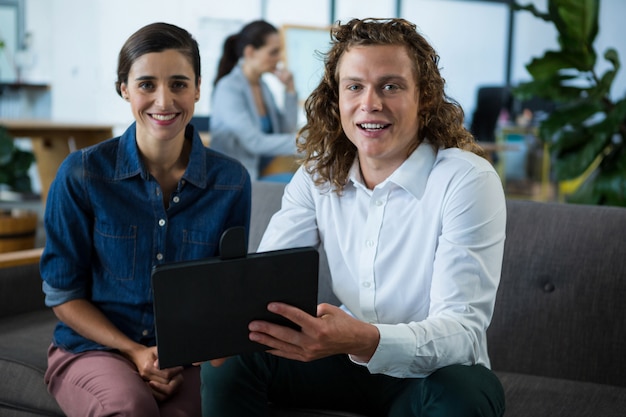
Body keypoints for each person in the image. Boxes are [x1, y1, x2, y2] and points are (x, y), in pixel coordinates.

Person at [201, 17, 506, 417]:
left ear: (425, 98)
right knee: (232, 362)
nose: (370, 103)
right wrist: (223, 335)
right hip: (343, 360)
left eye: (390, 86)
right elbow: (263, 286)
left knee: (464, 396)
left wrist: (366, 339)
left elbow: (462, 332)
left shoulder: (465, 179)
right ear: (337, 99)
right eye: (355, 87)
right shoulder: (317, 175)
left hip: (433, 373)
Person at [40, 22, 250, 417]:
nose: (164, 100)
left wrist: (187, 357)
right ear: (124, 89)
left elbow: (227, 293)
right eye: (147, 84)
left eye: (179, 84)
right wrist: (137, 352)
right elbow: (63, 295)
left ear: (198, 88)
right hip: (94, 349)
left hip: (186, 357)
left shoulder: (231, 181)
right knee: (130, 407)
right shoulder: (81, 174)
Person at [210, 20, 299, 182]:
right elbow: (254, 142)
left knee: (310, 183)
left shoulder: (263, 87)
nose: (279, 59)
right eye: (273, 52)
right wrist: (308, 145)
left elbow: (286, 130)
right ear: (250, 52)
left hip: (260, 175)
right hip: (236, 181)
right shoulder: (228, 88)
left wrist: (290, 90)